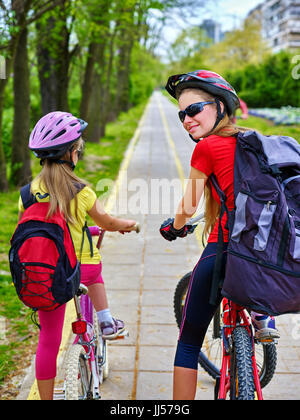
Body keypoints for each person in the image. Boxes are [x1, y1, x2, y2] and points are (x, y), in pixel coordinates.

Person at [160, 70, 279, 400]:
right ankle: (262, 316)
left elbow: (188, 206)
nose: (186, 119)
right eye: (181, 114)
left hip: (226, 251)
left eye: (194, 109)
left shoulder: (208, 148)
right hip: (268, 257)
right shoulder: (257, 141)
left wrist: (175, 225)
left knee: (188, 342)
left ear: (222, 106)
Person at [18, 111, 136, 400]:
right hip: (82, 269)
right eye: (78, 149)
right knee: (95, 271)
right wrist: (126, 226)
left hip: (49, 275)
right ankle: (106, 320)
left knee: (48, 340)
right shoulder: (82, 191)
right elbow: (107, 222)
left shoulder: (28, 193)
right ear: (71, 154)